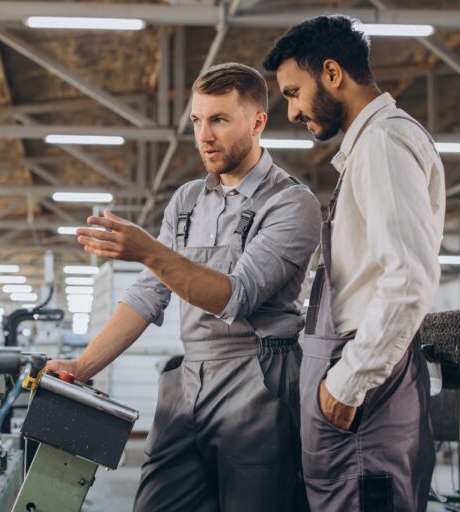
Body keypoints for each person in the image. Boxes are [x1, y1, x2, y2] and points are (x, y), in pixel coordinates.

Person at [46, 62, 321, 511]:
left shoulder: (291, 202)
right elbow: (146, 295)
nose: (204, 135)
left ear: (257, 122)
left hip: (260, 384)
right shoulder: (188, 200)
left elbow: (235, 296)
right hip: (190, 379)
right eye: (197, 120)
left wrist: (152, 252)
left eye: (219, 120)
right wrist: (82, 365)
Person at [263, 15, 445, 511]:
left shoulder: (384, 143)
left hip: (364, 396)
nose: (294, 111)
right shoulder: (368, 146)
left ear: (332, 73)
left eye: (293, 92)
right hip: (355, 391)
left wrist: (347, 384)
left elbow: (409, 277)